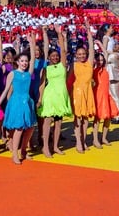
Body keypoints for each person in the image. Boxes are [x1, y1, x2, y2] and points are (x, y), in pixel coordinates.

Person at [0, 31, 37, 165]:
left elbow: (33, 59)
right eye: (22, 61)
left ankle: (23, 150)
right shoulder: (13, 74)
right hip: (17, 102)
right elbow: (7, 89)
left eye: (26, 61)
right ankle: (15, 154)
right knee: (18, 128)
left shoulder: (29, 73)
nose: (24, 63)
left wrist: (31, 42)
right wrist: (0, 101)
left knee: (30, 127)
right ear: (17, 62)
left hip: (27, 102)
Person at [37, 24, 72, 157]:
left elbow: (63, 51)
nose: (55, 57)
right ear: (49, 58)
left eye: (56, 56)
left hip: (61, 95)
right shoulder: (46, 69)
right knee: (48, 120)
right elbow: (41, 85)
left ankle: (55, 146)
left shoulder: (63, 66)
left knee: (58, 122)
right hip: (50, 95)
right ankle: (45, 147)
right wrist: (40, 98)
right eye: (53, 56)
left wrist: (60, 34)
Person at [70, 18, 96, 154]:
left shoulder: (90, 63)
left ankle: (84, 139)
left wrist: (88, 30)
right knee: (78, 118)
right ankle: (78, 142)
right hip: (77, 92)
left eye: (83, 54)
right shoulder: (74, 65)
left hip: (88, 91)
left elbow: (91, 47)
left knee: (86, 118)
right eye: (79, 54)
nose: (81, 56)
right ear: (76, 55)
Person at [91, 50, 119, 147]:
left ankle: (103, 138)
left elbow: (106, 56)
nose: (100, 62)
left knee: (108, 118)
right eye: (98, 60)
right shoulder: (93, 71)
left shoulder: (106, 69)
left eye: (102, 60)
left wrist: (101, 45)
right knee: (97, 118)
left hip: (106, 96)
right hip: (98, 97)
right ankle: (95, 139)